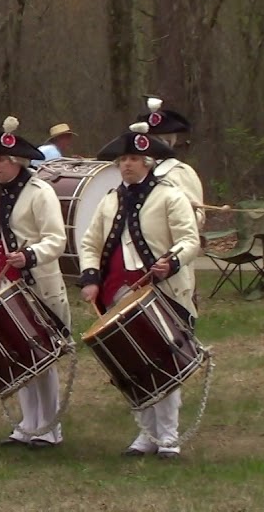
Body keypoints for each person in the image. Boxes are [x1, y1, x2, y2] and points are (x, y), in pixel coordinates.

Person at [77, 123, 201, 460]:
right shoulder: (109, 200)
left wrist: (171, 262)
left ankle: (169, 438)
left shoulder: (170, 196)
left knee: (164, 362)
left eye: (133, 158)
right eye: (122, 160)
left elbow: (190, 240)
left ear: (147, 162)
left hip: (163, 291)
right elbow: (90, 243)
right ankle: (146, 433)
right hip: (118, 291)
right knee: (132, 363)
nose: (126, 165)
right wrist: (90, 278)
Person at [0, 116, 71, 449]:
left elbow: (56, 240)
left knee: (43, 355)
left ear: (17, 161)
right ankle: (27, 423)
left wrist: (30, 255)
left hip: (37, 285)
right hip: (1, 287)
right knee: (17, 353)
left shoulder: (41, 193)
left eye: (1, 160)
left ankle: (50, 427)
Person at [138, 97, 205, 228]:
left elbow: (197, 219)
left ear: (168, 143)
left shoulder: (181, 172)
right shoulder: (134, 170)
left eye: (156, 140)